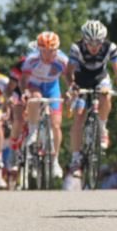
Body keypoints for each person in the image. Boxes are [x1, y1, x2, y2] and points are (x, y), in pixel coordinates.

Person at [64, 20, 117, 174]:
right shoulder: (76, 48)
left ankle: (102, 128)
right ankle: (76, 158)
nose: (94, 47)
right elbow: (68, 73)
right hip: (81, 79)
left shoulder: (110, 47)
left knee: (105, 94)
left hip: (100, 78)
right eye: (90, 43)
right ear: (84, 40)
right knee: (79, 116)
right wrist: (72, 86)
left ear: (103, 40)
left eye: (98, 43)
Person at [21, 31, 69, 179]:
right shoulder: (31, 59)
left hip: (52, 88)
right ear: (39, 50)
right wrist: (25, 92)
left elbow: (69, 79)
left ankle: (55, 161)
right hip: (35, 85)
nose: (48, 55)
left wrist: (70, 92)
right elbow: (23, 80)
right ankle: (33, 130)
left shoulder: (63, 60)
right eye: (44, 51)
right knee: (35, 97)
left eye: (51, 51)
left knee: (56, 125)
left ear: (57, 49)